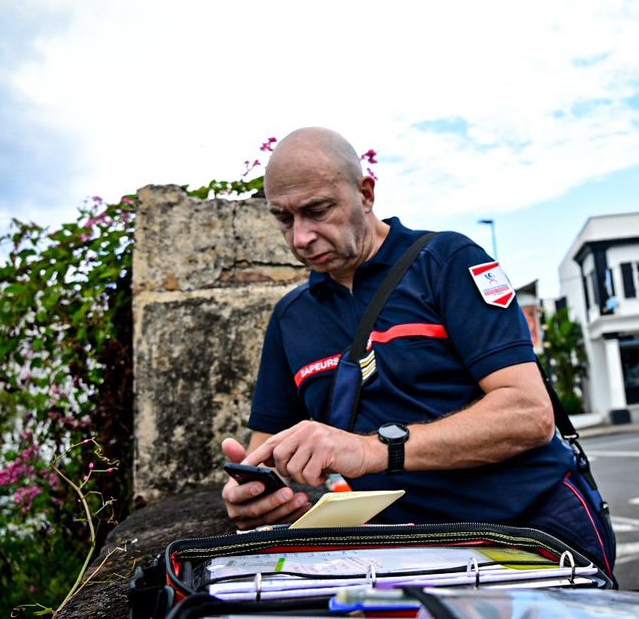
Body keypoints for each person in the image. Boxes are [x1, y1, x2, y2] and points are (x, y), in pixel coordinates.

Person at [220, 127, 615, 575]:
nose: (300, 238)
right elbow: (265, 451)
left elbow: (529, 414)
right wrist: (257, 496)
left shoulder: (448, 261)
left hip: (529, 527)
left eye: (317, 210)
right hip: (402, 553)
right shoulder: (291, 317)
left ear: (366, 193)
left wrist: (373, 451)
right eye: (284, 219)